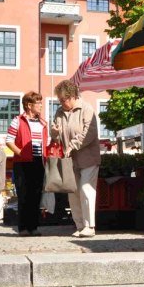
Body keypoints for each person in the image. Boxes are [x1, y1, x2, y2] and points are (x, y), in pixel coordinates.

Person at [50, 80, 101, 238]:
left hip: (88, 158)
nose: (61, 103)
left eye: (63, 100)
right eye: (59, 100)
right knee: (73, 193)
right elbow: (56, 138)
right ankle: (79, 225)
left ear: (72, 96)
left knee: (86, 189)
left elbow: (89, 133)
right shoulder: (59, 112)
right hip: (69, 160)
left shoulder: (86, 109)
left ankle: (89, 226)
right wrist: (54, 132)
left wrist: (73, 145)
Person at [6, 91, 47, 236]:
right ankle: (23, 228)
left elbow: (45, 143)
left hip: (38, 162)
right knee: (23, 195)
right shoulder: (18, 120)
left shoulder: (43, 123)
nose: (41, 105)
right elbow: (9, 140)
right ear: (29, 105)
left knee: (36, 195)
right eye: (38, 103)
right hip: (22, 163)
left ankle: (33, 227)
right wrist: (21, 153)